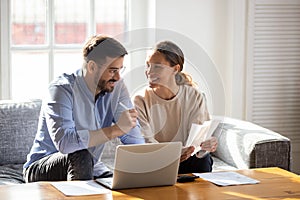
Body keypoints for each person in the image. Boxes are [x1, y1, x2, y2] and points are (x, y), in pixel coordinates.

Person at [23, 34, 145, 182]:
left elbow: (134, 141)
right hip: (42, 166)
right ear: (92, 66)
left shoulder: (116, 87)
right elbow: (65, 143)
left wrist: (147, 160)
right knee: (81, 155)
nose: (118, 77)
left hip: (90, 165)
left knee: (120, 183)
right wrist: (116, 130)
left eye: (120, 69)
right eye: (113, 70)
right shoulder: (61, 90)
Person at [134, 41, 218, 174]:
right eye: (148, 65)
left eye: (157, 67)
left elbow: (198, 137)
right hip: (156, 161)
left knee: (202, 158)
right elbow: (145, 141)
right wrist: (173, 154)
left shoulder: (194, 96)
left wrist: (206, 144)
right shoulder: (140, 100)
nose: (149, 71)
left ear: (175, 69)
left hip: (187, 159)